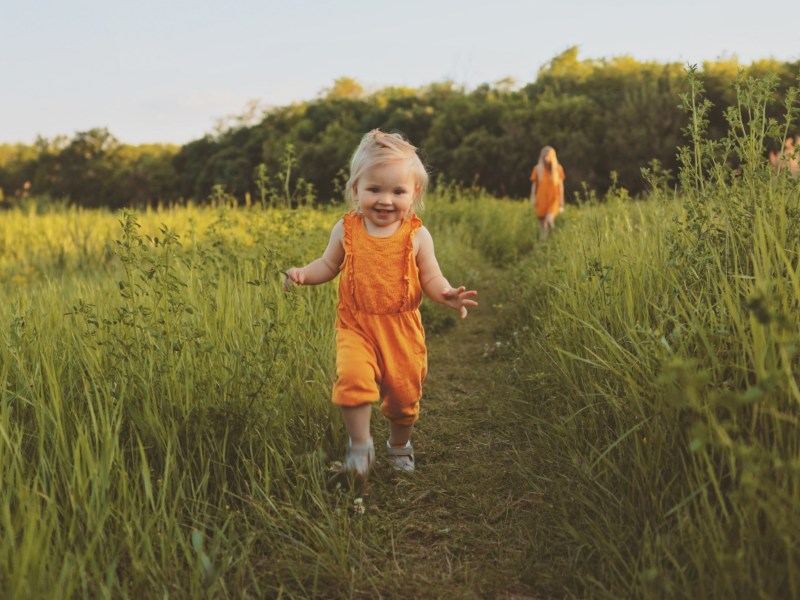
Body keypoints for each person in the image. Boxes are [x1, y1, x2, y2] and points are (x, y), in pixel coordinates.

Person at [283, 130, 478, 480]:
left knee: (404, 396)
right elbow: (327, 266)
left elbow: (431, 277)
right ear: (356, 189)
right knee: (353, 379)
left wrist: (446, 292)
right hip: (355, 325)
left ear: (413, 193)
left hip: (401, 328)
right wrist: (302, 274)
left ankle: (399, 445)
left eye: (397, 191)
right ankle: (361, 446)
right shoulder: (346, 230)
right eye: (375, 189)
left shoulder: (417, 235)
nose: (385, 200)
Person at [530, 146, 565, 239]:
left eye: (548, 156)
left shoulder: (558, 169)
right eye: (545, 156)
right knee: (543, 224)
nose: (546, 159)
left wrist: (561, 201)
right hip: (541, 199)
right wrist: (533, 198)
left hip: (554, 199)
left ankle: (556, 237)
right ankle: (545, 244)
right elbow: (534, 186)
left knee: (549, 220)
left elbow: (560, 186)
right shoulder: (537, 169)